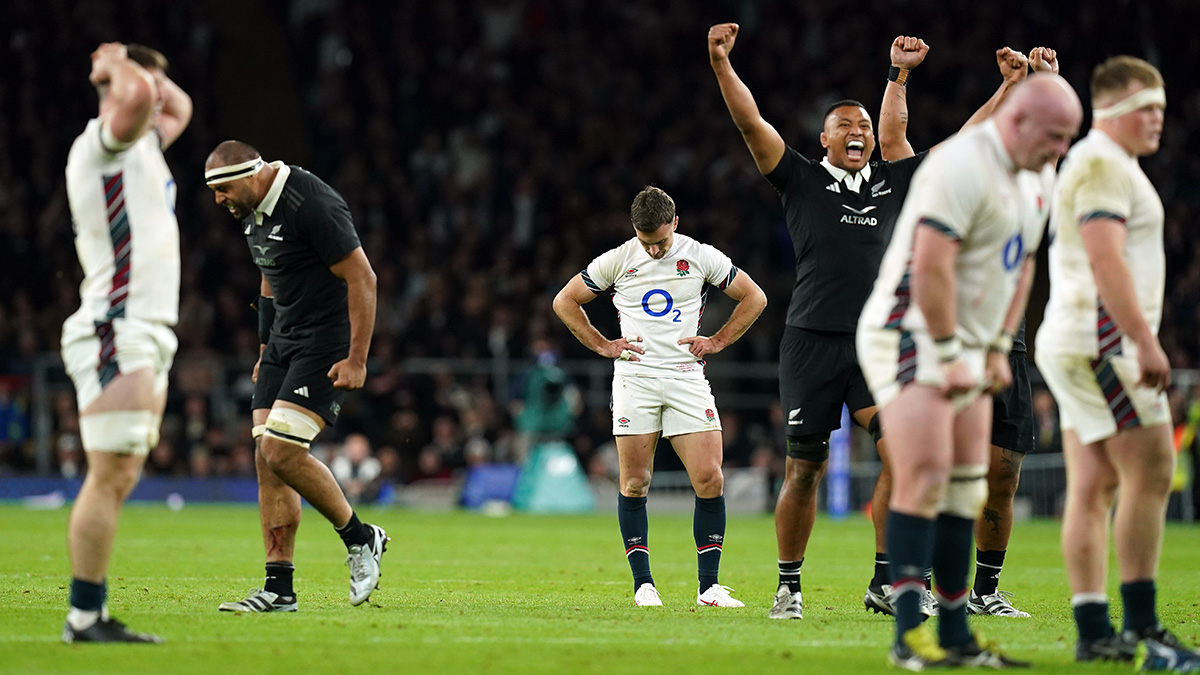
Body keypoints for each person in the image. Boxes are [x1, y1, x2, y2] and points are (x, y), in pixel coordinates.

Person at [707, 23, 1027, 620]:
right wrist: (723, 64)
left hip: (877, 347)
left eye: (863, 127)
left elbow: (967, 142)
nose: (857, 133)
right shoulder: (799, 178)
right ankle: (789, 586)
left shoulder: (893, 180)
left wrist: (1008, 87)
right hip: (811, 343)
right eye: (845, 127)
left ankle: (886, 582)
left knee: (903, 457)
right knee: (804, 469)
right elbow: (752, 125)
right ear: (823, 138)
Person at [857, 72, 1081, 669]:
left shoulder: (1036, 178)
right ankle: (911, 639)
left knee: (965, 485)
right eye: (1055, 135)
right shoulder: (961, 166)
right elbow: (929, 268)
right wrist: (955, 354)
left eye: (1069, 139)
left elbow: (1024, 267)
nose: (1061, 150)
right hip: (910, 330)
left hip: (970, 341)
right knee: (927, 473)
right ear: (1018, 120)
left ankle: (955, 636)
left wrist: (994, 347)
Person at [1034, 56, 1200, 669]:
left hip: (1078, 337)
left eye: (1161, 105)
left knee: (1094, 484)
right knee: (1154, 467)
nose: (1159, 117)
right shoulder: (1104, 162)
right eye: (1146, 107)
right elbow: (1107, 259)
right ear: (1113, 110)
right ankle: (1144, 630)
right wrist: (1145, 340)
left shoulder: (1103, 161)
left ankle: (1095, 629)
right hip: (1102, 341)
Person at [552, 186, 767, 608]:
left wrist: (719, 340)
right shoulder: (618, 259)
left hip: (686, 376)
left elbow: (754, 296)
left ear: (675, 223)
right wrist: (602, 344)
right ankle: (643, 585)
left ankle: (709, 588)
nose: (653, 250)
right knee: (635, 482)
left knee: (710, 477)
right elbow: (565, 301)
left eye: (661, 241)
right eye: (645, 241)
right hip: (636, 378)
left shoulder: (701, 255)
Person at [204, 140, 388, 613]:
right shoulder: (251, 208)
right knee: (267, 459)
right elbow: (270, 275)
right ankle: (279, 589)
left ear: (251, 174)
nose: (218, 201)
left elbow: (363, 278)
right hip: (284, 342)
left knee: (281, 449)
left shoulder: (310, 202)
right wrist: (265, 348)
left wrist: (357, 359)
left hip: (325, 342)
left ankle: (361, 537)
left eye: (223, 189)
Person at [60, 42, 192, 644]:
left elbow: (175, 107)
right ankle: (85, 616)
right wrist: (112, 65)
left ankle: (89, 614)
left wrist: (143, 73)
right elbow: (139, 96)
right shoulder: (102, 145)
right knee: (109, 472)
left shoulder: (142, 147)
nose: (157, 93)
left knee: (121, 471)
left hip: (142, 328)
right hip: (118, 324)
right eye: (147, 82)